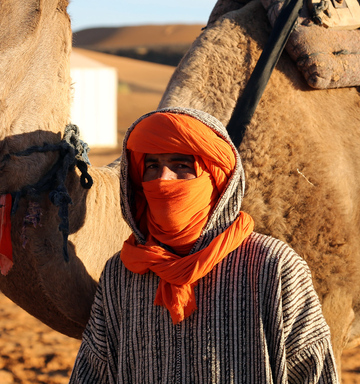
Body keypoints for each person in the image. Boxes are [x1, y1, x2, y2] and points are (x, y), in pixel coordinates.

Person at [70, 107, 338, 383]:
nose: (163, 179)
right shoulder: (122, 274)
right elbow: (94, 372)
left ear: (216, 179)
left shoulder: (273, 267)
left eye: (181, 166)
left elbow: (312, 373)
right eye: (152, 166)